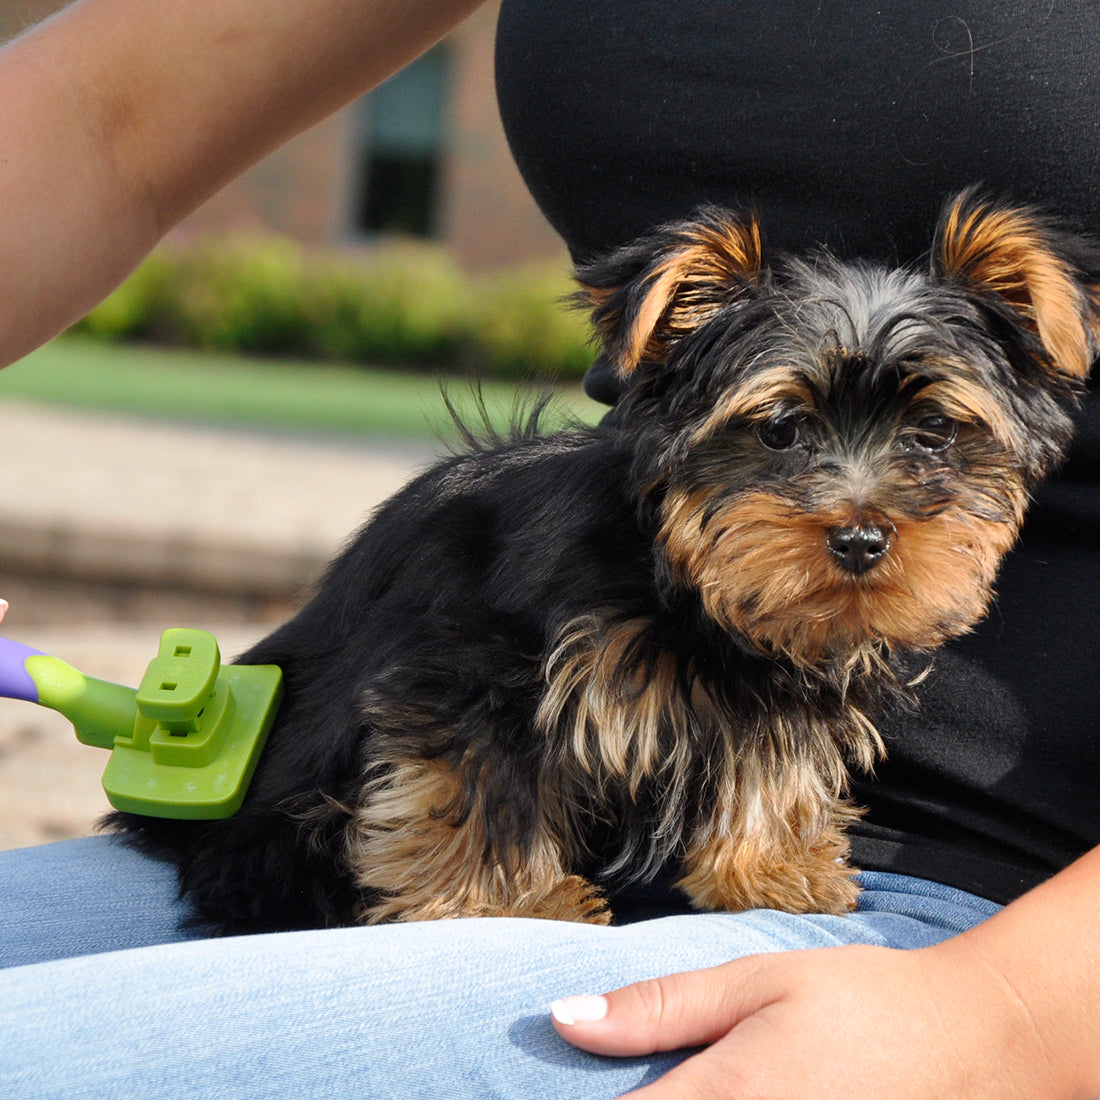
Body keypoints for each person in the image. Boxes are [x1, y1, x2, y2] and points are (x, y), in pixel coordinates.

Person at [0, 1, 1097, 1096]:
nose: (855, 509)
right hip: (334, 849)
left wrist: (999, 1017)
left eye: (933, 434)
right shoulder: (566, 577)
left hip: (975, 936)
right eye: (775, 432)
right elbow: (105, 120)